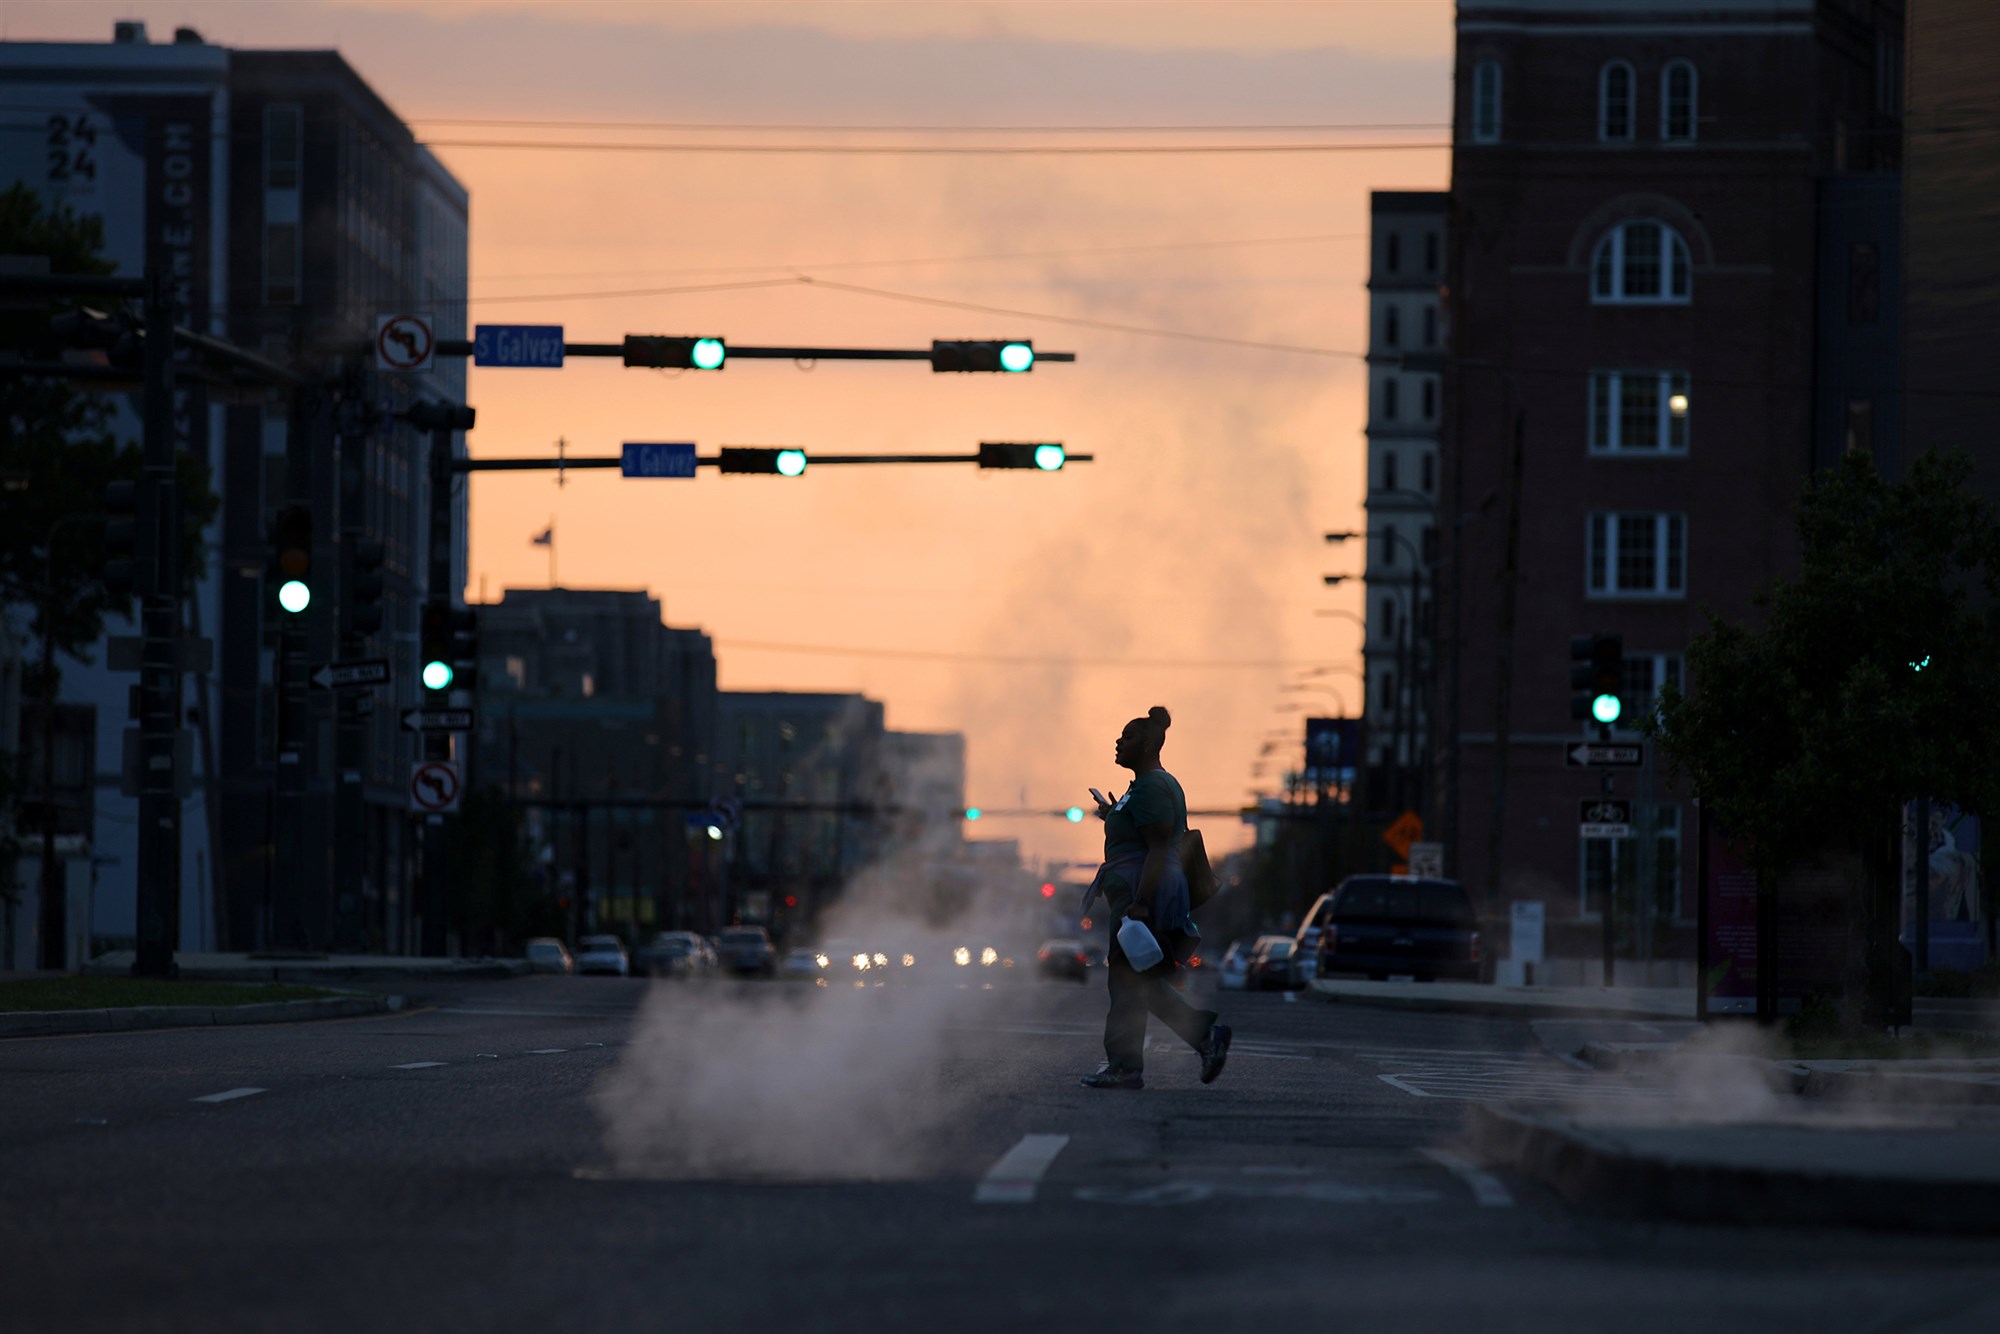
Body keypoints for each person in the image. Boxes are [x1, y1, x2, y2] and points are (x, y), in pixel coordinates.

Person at [1077, 706, 1230, 1090]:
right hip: (1133, 891)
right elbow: (1142, 834)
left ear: (1146, 744)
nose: (1118, 741)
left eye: (1127, 736)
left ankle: (1126, 1066)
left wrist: (1141, 903)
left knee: (1126, 982)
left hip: (1141, 893)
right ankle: (1203, 1037)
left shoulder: (1153, 786)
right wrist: (1112, 812)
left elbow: (1159, 847)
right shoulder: (1140, 788)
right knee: (1139, 981)